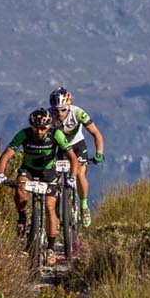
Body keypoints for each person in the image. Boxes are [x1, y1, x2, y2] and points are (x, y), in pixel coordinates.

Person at [0, 109, 74, 244]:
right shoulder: (24, 134)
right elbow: (6, 155)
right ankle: (22, 217)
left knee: (50, 207)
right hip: (28, 170)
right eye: (36, 128)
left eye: (43, 128)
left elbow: (73, 158)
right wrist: (1, 174)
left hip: (49, 172)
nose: (39, 131)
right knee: (20, 189)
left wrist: (72, 177)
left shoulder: (57, 134)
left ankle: (51, 247)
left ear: (49, 127)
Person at [46, 87, 105, 221]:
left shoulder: (78, 113)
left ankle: (84, 207)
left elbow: (96, 133)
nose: (59, 113)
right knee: (53, 178)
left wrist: (99, 153)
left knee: (79, 173)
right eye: (56, 110)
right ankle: (55, 210)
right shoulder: (48, 115)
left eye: (63, 109)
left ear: (69, 106)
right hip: (59, 147)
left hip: (77, 145)